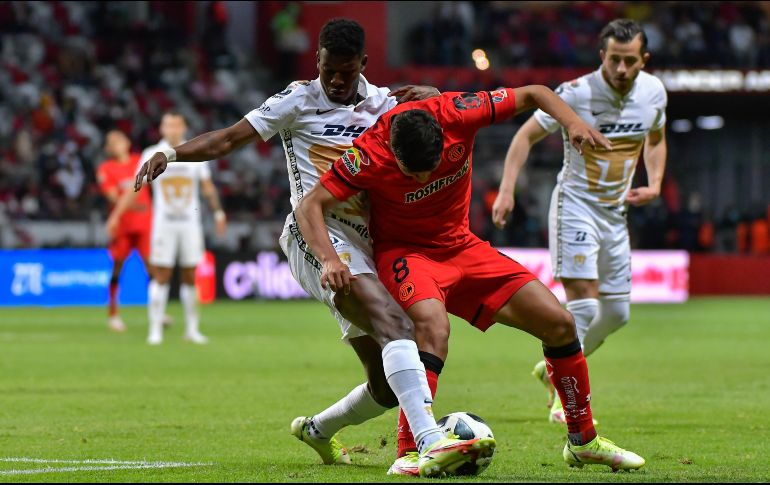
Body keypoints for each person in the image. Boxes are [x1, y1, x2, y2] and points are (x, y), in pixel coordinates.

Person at [133, 19, 492, 478]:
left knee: (384, 386)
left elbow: (434, 123)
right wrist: (174, 155)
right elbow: (229, 137)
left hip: (367, 242)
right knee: (397, 324)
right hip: (315, 235)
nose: (337, 81)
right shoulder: (296, 100)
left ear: (362, 64)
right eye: (328, 71)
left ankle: (317, 430)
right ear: (316, 61)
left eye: (345, 71)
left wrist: (432, 93)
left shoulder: (383, 103)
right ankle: (429, 442)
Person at [296, 83, 646, 471]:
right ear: (394, 152)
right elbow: (309, 205)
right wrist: (328, 259)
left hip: (463, 247)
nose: (422, 180)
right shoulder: (370, 152)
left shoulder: (460, 113)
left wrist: (573, 122)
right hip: (408, 255)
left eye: (430, 170)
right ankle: (412, 452)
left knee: (561, 324)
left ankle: (583, 441)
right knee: (431, 328)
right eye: (413, 173)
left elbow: (534, 93)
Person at [490, 19, 668, 424]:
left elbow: (656, 138)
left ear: (644, 60)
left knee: (618, 314)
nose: (621, 69)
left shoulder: (654, 92)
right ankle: (564, 396)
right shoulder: (576, 93)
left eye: (630, 61)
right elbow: (524, 137)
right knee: (584, 306)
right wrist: (506, 190)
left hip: (614, 212)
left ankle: (552, 367)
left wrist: (655, 183)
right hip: (575, 206)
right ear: (602, 56)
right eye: (614, 60)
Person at [107, 112, 227, 345]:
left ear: (183, 127)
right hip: (164, 225)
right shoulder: (151, 153)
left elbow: (207, 187)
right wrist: (116, 215)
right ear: (162, 129)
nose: (172, 129)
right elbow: (137, 189)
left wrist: (218, 212)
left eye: (176, 125)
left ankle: (192, 329)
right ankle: (155, 330)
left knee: (190, 276)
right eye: (167, 125)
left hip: (190, 225)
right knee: (160, 276)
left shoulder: (195, 152)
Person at [97, 130, 153, 333]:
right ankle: (113, 314)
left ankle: (157, 311)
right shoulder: (106, 168)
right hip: (122, 225)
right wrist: (133, 205)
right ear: (107, 148)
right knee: (118, 267)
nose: (117, 143)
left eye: (119, 139)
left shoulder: (140, 161)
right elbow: (112, 196)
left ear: (128, 142)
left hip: (145, 224)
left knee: (153, 269)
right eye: (112, 142)